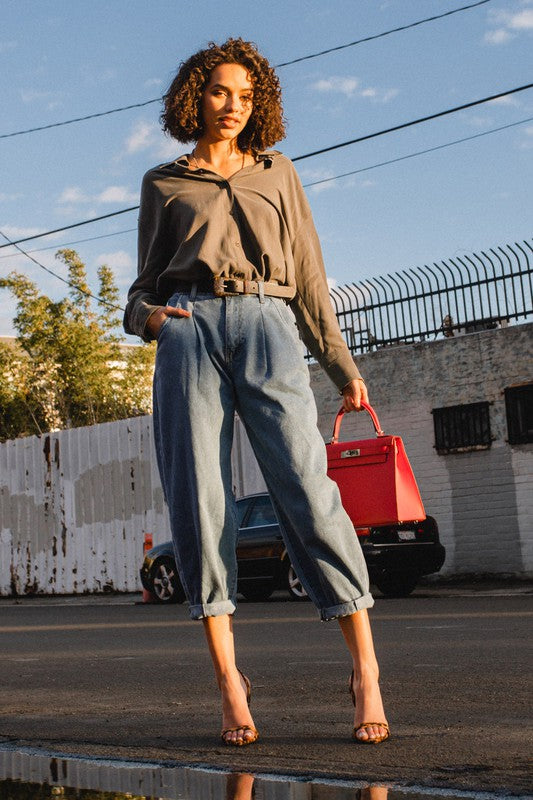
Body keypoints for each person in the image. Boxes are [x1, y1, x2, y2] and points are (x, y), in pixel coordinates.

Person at [124, 38, 389, 747]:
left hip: (270, 326)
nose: (232, 106)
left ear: (258, 101)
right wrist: (150, 320)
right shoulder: (164, 182)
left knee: (307, 489)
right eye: (219, 92)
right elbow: (141, 287)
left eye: (245, 95)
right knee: (200, 500)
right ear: (194, 96)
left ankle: (364, 671)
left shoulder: (278, 174)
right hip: (190, 332)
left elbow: (307, 276)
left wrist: (341, 366)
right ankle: (228, 683)